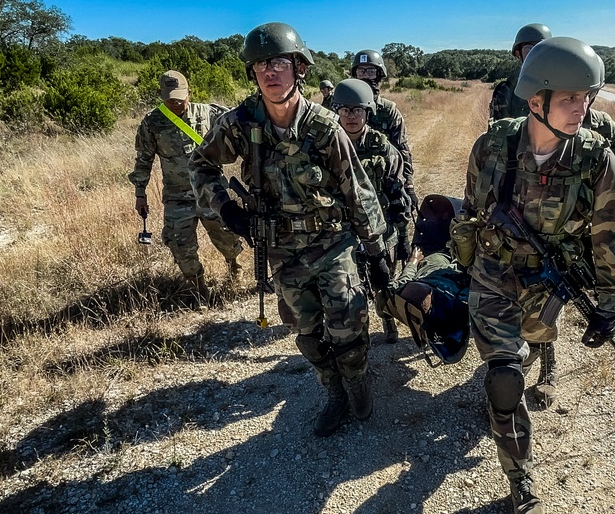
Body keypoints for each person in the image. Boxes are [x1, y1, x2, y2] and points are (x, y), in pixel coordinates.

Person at [451, 36, 615, 514]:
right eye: (570, 98)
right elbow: (471, 211)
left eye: (588, 97)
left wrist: (609, 301)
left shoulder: (596, 160)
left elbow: (611, 236)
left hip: (546, 286)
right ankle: (520, 478)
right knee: (505, 378)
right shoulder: (491, 147)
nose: (583, 108)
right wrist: (466, 258)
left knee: (532, 347)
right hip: (493, 276)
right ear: (536, 100)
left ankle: (537, 359)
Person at [188, 22, 390, 438]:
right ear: (252, 72)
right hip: (280, 247)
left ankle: (356, 380)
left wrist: (376, 251)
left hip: (332, 243)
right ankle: (332, 391)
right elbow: (200, 164)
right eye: (261, 64)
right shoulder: (240, 123)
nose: (269, 71)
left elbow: (358, 190)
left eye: (279, 62)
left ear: (299, 67)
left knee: (348, 327)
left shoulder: (325, 127)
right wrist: (226, 208)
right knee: (308, 332)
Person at [490, 26, 615, 408]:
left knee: (554, 295)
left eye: (539, 49)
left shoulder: (595, 124)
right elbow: (498, 151)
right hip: (521, 211)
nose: (532, 55)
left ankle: (547, 365)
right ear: (519, 57)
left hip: (575, 223)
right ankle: (510, 366)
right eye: (526, 50)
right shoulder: (509, 96)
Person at [130, 70, 243, 292]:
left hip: (211, 192)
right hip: (177, 196)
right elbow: (144, 159)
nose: (176, 103)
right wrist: (140, 194)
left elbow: (239, 127)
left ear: (189, 93)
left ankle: (234, 266)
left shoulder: (209, 113)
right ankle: (197, 287)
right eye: (170, 99)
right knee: (179, 243)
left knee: (227, 237)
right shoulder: (152, 122)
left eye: (180, 98)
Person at [331, 78, 413, 343]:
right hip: (342, 232)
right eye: (345, 110)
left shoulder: (383, 148)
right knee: (350, 288)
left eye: (357, 111)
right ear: (337, 112)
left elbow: (398, 196)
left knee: (383, 281)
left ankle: (388, 320)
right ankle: (359, 334)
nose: (351, 116)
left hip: (380, 229)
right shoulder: (326, 146)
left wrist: (403, 236)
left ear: (368, 113)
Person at [376, 194, 471, 366]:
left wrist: (413, 262)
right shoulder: (462, 300)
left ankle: (388, 320)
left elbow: (394, 288)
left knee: (386, 296)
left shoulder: (423, 292)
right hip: (454, 260)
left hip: (435, 258)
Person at [351, 50, 418, 217]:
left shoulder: (389, 112)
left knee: (399, 225)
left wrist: (408, 186)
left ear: (379, 75)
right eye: (361, 71)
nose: (365, 76)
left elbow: (402, 150)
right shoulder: (343, 110)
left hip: (385, 182)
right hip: (352, 183)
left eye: (371, 71)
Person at [488, 23, 551, 121]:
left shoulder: (563, 87)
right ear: (518, 54)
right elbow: (500, 130)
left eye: (541, 49)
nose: (535, 54)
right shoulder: (506, 90)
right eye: (529, 49)